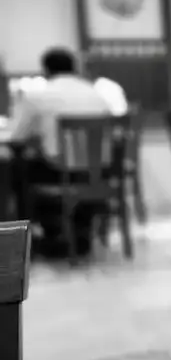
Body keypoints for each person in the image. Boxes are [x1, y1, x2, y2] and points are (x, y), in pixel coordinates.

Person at [7, 47, 122, 256]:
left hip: (59, 173)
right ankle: (79, 230)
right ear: (74, 68)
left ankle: (29, 238)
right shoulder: (98, 95)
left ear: (46, 70)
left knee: (15, 171)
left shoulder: (37, 96)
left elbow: (16, 138)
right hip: (100, 173)